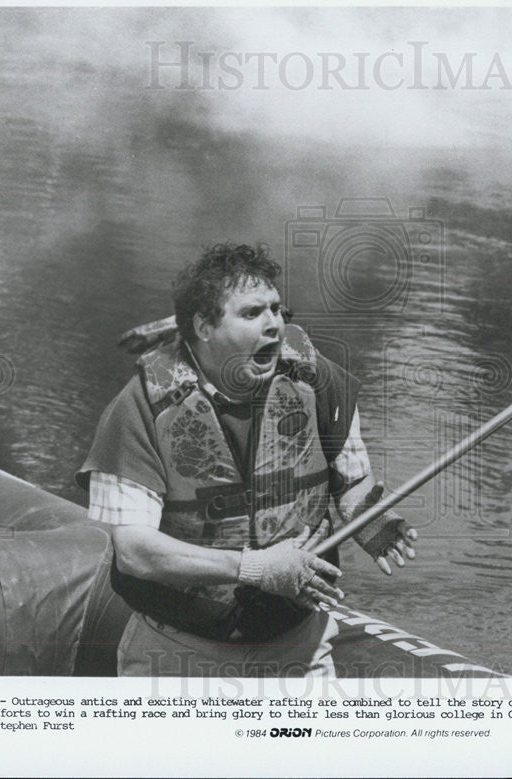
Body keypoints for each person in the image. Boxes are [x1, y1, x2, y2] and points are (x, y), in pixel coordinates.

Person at [77, 243, 417, 677]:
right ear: (203, 326)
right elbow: (136, 553)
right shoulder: (139, 409)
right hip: (180, 651)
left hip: (299, 644)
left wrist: (367, 517)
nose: (274, 324)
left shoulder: (315, 380)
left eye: (277, 309)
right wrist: (256, 567)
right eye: (253, 313)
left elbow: (350, 480)